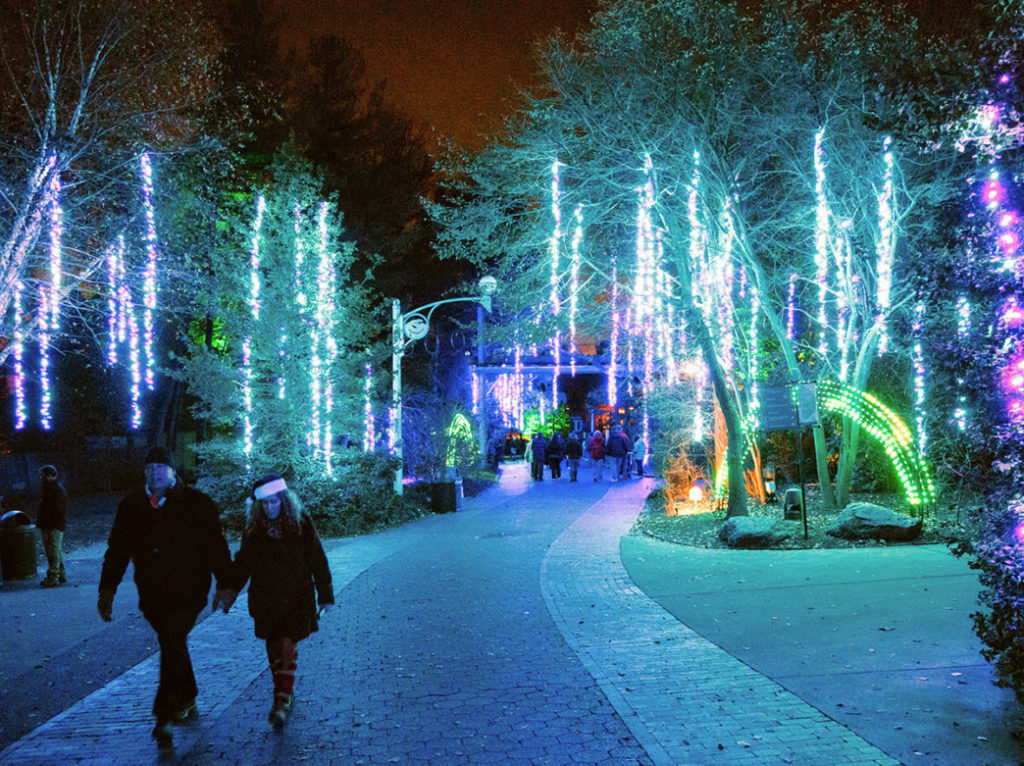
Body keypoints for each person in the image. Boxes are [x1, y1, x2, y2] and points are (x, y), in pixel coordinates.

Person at [97, 446, 236, 750]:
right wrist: (107, 589)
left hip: (189, 591)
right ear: (144, 473)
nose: (156, 472)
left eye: (163, 467)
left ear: (174, 471)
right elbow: (117, 549)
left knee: (172, 640)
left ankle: (164, 715)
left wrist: (227, 584)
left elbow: (216, 548)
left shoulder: (198, 504)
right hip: (152, 594)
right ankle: (187, 694)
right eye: (151, 467)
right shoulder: (132, 505)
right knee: (172, 643)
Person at [231, 474, 334, 727]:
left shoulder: (299, 522)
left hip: (296, 595)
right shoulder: (255, 529)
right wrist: (229, 588)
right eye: (264, 503)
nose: (269, 507)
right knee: (274, 645)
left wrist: (325, 594)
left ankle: (281, 697)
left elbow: (317, 558)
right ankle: (283, 688)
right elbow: (244, 563)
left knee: (288, 643)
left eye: (274, 502)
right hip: (265, 598)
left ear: (284, 500)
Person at [37, 464, 68, 588]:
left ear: (48, 476)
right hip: (54, 524)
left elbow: (54, 510)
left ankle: (53, 576)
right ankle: (60, 573)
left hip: (52, 525)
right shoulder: (54, 489)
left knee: (52, 550)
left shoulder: (52, 490)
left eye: (43, 475)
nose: (41, 477)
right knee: (55, 550)